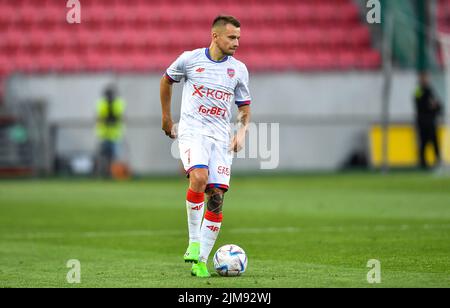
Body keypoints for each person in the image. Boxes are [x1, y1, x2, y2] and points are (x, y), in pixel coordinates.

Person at [160, 15, 252, 277]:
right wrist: (167, 117)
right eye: (232, 37)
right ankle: (193, 243)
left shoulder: (239, 70)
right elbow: (166, 80)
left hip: (221, 137)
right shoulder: (190, 60)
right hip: (193, 132)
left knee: (217, 197)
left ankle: (200, 261)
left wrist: (243, 131)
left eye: (238, 38)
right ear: (215, 36)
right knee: (199, 177)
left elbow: (244, 107)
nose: (236, 42)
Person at [96, 84, 126, 178]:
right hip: (104, 134)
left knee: (114, 156)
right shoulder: (102, 103)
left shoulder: (118, 103)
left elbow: (120, 117)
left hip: (114, 134)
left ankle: (113, 174)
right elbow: (99, 117)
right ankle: (103, 173)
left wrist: (110, 119)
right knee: (103, 156)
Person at [414, 72, 442, 169]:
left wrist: (434, 106)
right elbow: (419, 103)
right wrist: (430, 105)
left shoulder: (430, 90)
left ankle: (438, 161)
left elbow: (438, 105)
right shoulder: (418, 90)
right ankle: (423, 163)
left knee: (434, 142)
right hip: (422, 121)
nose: (425, 80)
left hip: (431, 121)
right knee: (423, 142)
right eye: (424, 78)